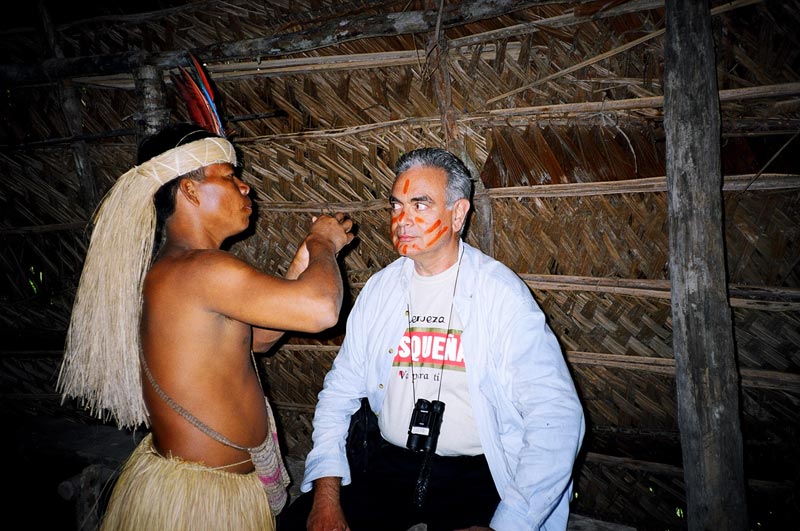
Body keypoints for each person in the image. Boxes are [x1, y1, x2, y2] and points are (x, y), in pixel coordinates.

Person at [57, 122, 354, 531]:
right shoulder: (201, 269)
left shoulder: (182, 267)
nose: (245, 187)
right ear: (190, 190)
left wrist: (303, 261)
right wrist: (324, 244)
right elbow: (321, 309)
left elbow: (260, 340)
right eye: (230, 177)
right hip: (203, 500)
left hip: (201, 485)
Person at [278, 147, 585, 531]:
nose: (402, 220)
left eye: (419, 205)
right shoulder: (381, 290)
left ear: (458, 214)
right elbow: (338, 394)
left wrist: (508, 525)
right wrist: (326, 495)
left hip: (476, 474)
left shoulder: (499, 294)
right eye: (396, 205)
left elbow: (556, 415)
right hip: (391, 464)